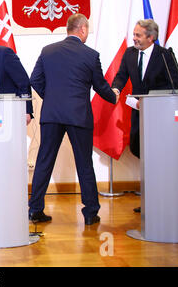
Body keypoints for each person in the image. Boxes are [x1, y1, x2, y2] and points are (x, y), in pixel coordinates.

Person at [29, 14, 118, 226]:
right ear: (83, 30)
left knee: (44, 161)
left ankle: (35, 210)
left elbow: (35, 79)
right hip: (79, 115)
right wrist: (114, 95)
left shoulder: (47, 51)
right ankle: (90, 213)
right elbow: (100, 85)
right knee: (84, 163)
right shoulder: (90, 55)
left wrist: (51, 98)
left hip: (51, 115)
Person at [111, 19, 178, 213]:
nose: (134, 38)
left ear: (151, 37)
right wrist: (116, 89)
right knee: (139, 150)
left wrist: (152, 101)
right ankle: (151, 200)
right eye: (134, 34)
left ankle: (162, 201)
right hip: (139, 115)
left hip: (160, 117)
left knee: (159, 157)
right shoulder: (130, 53)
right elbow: (121, 75)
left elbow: (176, 85)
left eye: (138, 35)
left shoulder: (165, 56)